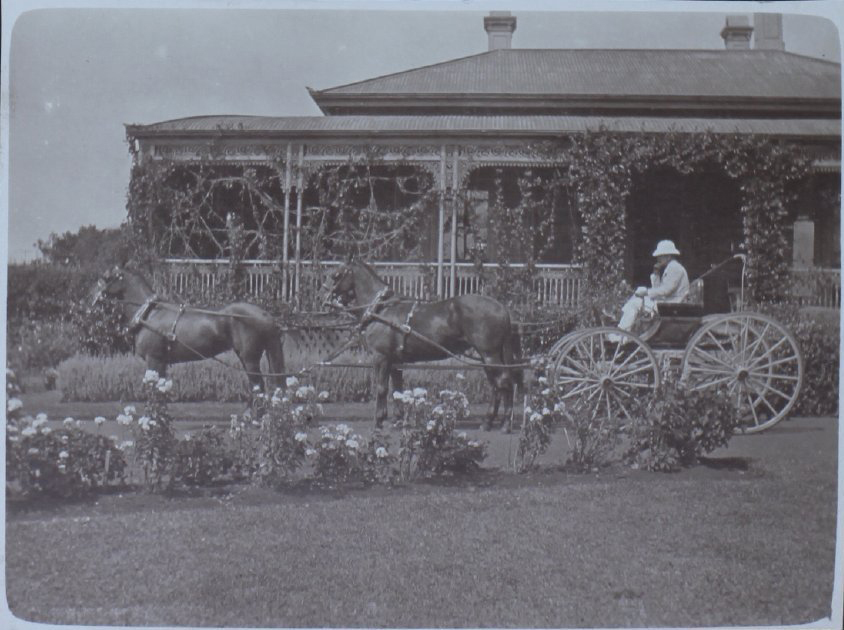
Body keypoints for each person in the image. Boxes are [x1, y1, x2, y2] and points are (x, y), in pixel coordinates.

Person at [616, 239, 689, 333]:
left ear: (668, 256)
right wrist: (656, 273)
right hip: (667, 303)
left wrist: (646, 292)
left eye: (660, 256)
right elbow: (658, 289)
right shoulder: (670, 267)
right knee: (636, 299)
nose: (658, 259)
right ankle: (623, 327)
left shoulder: (675, 268)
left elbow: (666, 290)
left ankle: (622, 332)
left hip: (672, 305)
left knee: (635, 303)